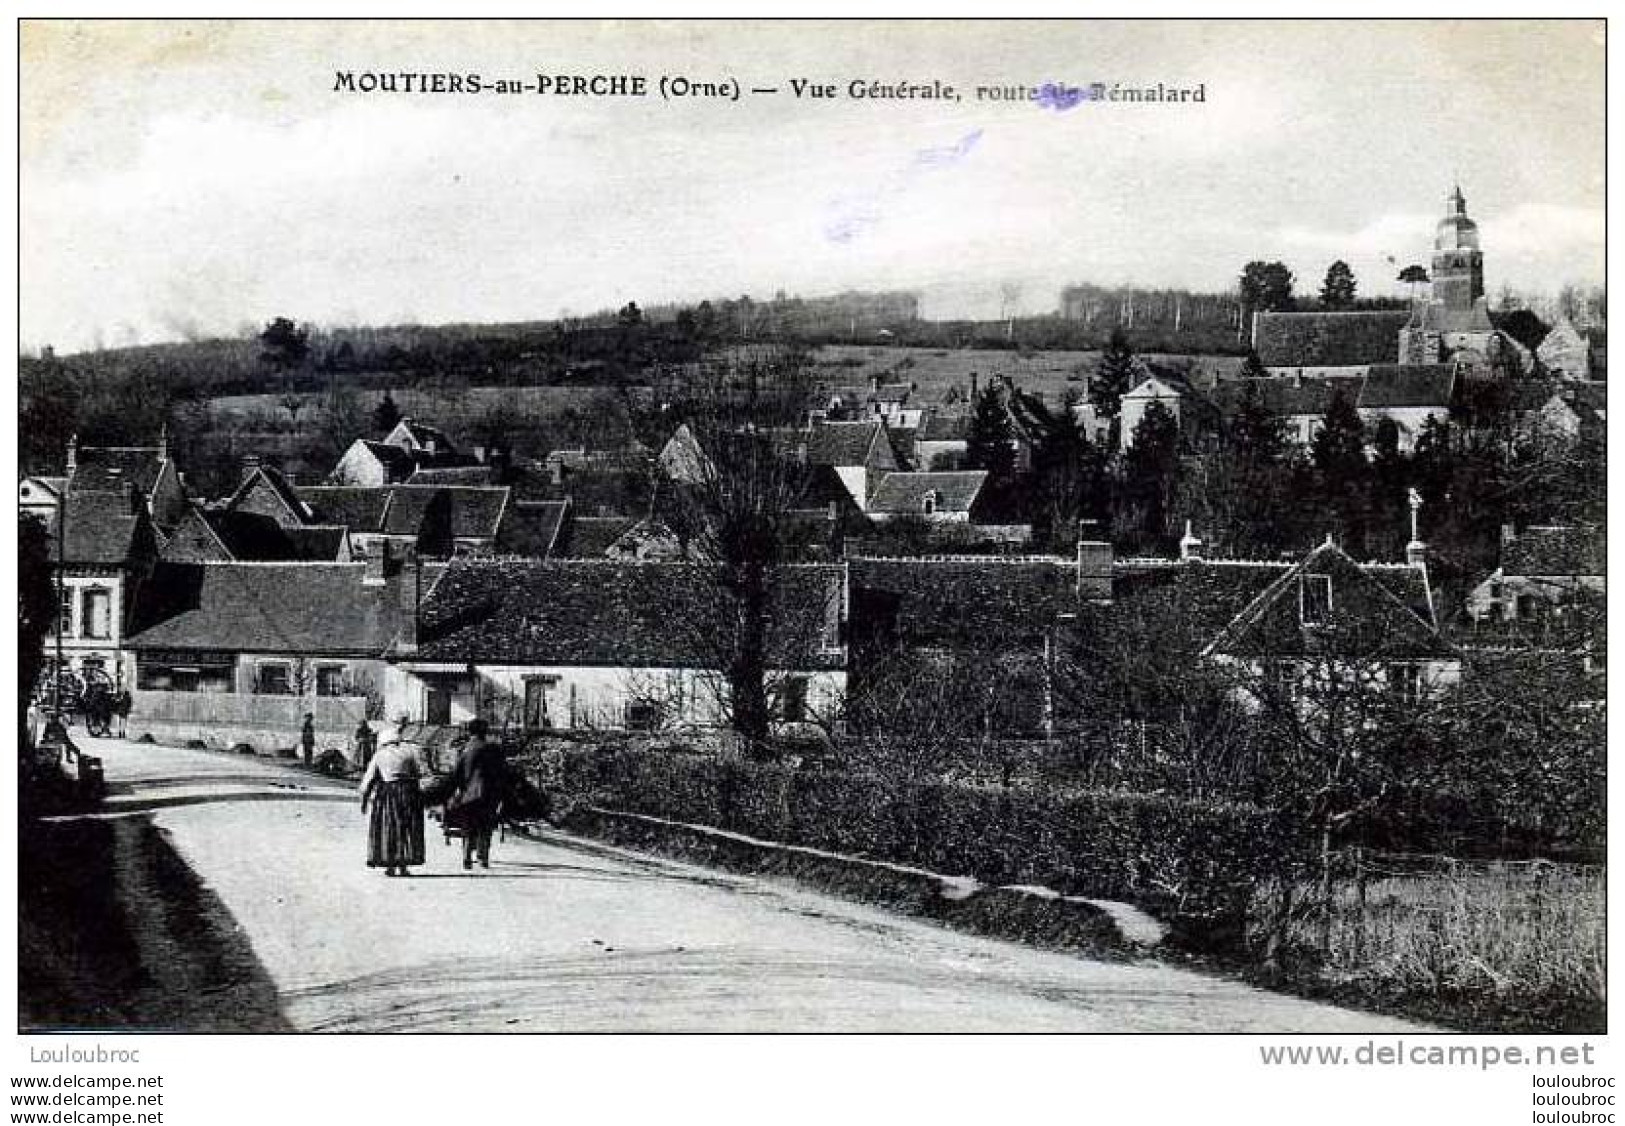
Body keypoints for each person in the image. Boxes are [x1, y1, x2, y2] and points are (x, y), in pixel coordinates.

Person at [358, 726, 428, 877]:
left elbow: (368, 781)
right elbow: (421, 773)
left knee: (389, 828)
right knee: (406, 828)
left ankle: (390, 865)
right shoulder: (411, 752)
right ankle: (403, 864)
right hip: (409, 792)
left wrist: (364, 801)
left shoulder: (380, 755)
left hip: (388, 794)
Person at [444, 718, 509, 871]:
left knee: (468, 825)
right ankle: (483, 857)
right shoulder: (493, 749)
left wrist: (456, 792)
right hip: (488, 793)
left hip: (468, 794)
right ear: (485, 732)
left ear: (469, 732)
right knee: (485, 825)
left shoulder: (464, 750)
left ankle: (466, 857)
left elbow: (457, 774)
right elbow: (502, 773)